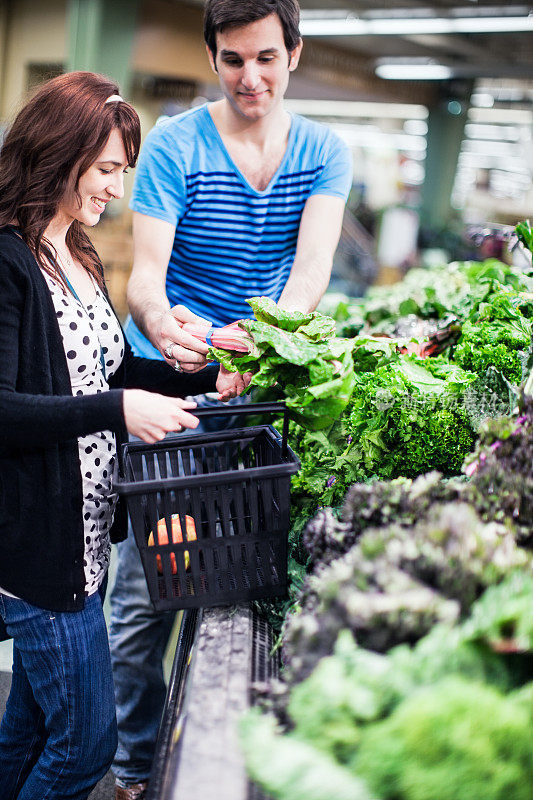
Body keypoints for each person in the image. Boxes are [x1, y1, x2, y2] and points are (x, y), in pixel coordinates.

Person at [109, 0, 353, 796]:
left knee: (243, 570)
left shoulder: (323, 150)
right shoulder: (178, 141)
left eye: (265, 59)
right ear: (212, 57)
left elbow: (310, 272)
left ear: (294, 54)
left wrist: (271, 338)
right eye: (232, 60)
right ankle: (130, 767)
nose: (250, 77)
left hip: (256, 385)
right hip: (170, 385)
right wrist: (164, 323)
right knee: (148, 589)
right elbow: (147, 277)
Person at [0, 71, 218, 800]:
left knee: (28, 733)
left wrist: (201, 378)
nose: (116, 190)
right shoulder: (8, 264)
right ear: (58, 154)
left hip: (86, 539)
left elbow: (109, 367)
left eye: (121, 172)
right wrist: (118, 408)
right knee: (86, 750)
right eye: (106, 171)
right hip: (35, 551)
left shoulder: (79, 252)